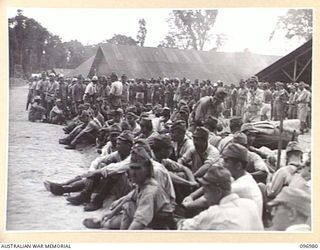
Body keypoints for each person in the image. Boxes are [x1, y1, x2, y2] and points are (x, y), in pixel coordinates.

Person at [177, 166, 263, 230]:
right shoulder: (250, 205)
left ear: (218, 192)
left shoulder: (213, 214)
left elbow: (184, 227)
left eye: (206, 192)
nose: (205, 197)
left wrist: (178, 217)